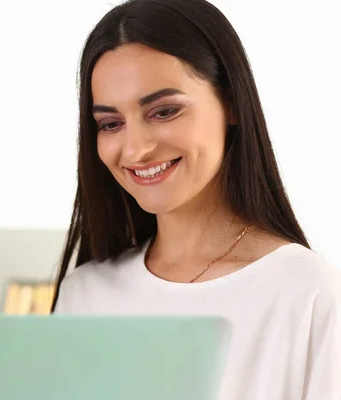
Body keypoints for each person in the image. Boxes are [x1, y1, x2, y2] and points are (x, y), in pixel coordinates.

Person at [51, 0, 341, 398]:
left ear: (232, 103)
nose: (134, 150)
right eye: (111, 123)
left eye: (164, 111)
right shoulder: (85, 294)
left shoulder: (310, 294)